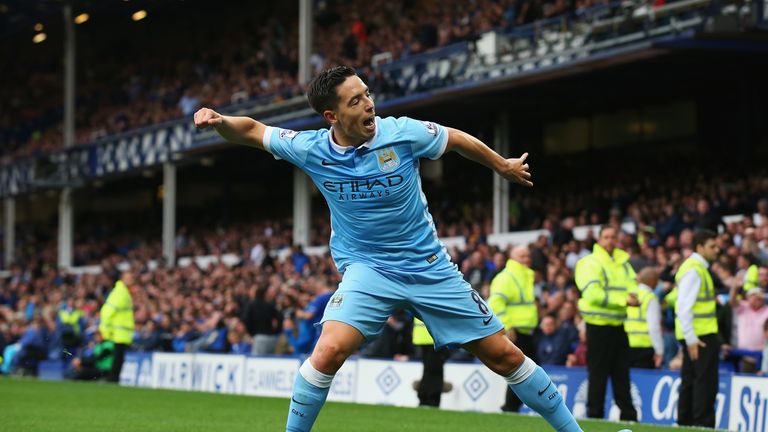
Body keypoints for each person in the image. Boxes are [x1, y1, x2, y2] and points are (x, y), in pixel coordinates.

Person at [194, 66, 581, 432]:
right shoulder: (310, 148)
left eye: (367, 94)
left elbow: (456, 139)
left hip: (429, 267)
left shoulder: (402, 133)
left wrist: (502, 165)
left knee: (506, 356)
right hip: (368, 269)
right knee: (328, 351)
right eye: (355, 101)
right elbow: (253, 130)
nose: (369, 105)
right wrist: (220, 121)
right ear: (332, 115)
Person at [574, 225, 639, 421]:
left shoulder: (624, 262)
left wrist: (635, 296)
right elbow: (593, 294)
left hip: (618, 326)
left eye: (613, 237)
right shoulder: (590, 263)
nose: (610, 240)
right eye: (606, 237)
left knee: (622, 374)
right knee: (598, 375)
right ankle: (595, 417)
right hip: (598, 327)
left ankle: (629, 418)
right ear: (599, 240)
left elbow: (633, 285)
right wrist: (623, 300)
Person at [673, 229, 720, 427]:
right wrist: (691, 339)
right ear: (699, 247)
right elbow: (683, 308)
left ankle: (685, 422)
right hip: (701, 336)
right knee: (704, 383)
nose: (717, 250)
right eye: (712, 246)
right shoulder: (695, 269)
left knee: (691, 381)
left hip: (696, 334)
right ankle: (702, 424)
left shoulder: (693, 267)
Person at [489, 245, 539, 412]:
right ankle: (510, 407)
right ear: (513, 258)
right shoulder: (506, 277)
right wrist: (507, 326)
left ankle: (513, 406)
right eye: (523, 256)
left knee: (525, 372)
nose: (527, 259)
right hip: (516, 331)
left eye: (528, 256)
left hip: (527, 330)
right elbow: (495, 303)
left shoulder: (526, 276)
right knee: (519, 372)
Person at [98, 271, 137, 383]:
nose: (131, 280)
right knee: (117, 358)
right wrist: (105, 329)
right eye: (129, 278)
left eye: (132, 278)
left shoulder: (124, 292)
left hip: (122, 332)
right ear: (123, 279)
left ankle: (113, 379)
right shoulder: (120, 293)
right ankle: (112, 379)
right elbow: (107, 311)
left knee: (118, 357)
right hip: (118, 332)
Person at [625, 267, 664, 369]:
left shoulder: (629, 295)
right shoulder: (650, 298)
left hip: (626, 345)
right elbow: (654, 327)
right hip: (644, 348)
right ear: (653, 282)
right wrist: (659, 350)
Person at [411, 318, 451, 407]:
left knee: (428, 370)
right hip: (435, 336)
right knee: (435, 371)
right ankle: (431, 400)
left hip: (423, 335)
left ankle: (424, 399)